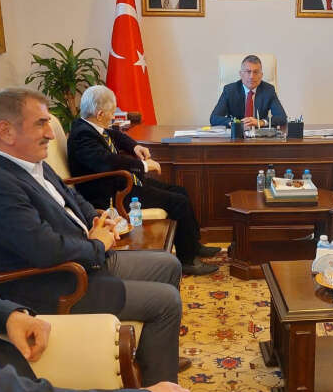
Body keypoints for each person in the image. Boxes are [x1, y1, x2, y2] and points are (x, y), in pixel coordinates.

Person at [0, 134, 205, 392]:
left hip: (76, 267)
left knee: (167, 267)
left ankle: (159, 367)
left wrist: (6, 314)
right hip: (60, 283)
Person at [0, 87, 185, 386]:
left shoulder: (26, 160)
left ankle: (156, 355)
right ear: (6, 131)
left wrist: (97, 217)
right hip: (58, 284)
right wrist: (97, 245)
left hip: (83, 260)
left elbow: (71, 196)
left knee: (169, 265)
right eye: (41, 124)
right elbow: (45, 250)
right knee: (166, 301)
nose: (51, 134)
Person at [68, 85, 220, 276]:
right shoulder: (82, 136)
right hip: (111, 194)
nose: (113, 117)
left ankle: (193, 245)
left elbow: (115, 135)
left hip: (122, 183)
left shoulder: (90, 127)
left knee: (180, 191)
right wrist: (143, 166)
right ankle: (188, 261)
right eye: (112, 113)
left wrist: (135, 146)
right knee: (178, 202)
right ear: (99, 114)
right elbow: (108, 162)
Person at [210, 55, 287, 129]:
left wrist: (261, 122)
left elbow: (282, 117)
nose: (251, 76)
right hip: (237, 134)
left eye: (256, 72)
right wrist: (237, 123)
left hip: (259, 134)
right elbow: (214, 118)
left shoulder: (268, 90)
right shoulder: (230, 90)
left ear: (261, 75)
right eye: (248, 72)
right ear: (241, 74)